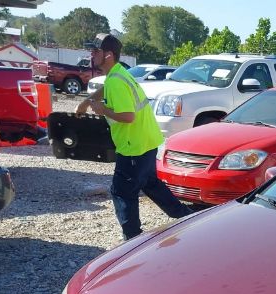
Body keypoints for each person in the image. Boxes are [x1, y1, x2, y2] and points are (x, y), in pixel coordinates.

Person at [76, 35, 191, 240]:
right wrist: (87, 101)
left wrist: (103, 110)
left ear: (108, 55)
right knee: (151, 184)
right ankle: (187, 218)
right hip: (146, 141)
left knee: (122, 192)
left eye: (95, 52)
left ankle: (133, 240)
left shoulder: (116, 82)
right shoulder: (119, 74)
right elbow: (107, 88)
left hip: (133, 147)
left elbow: (128, 116)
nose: (91, 56)